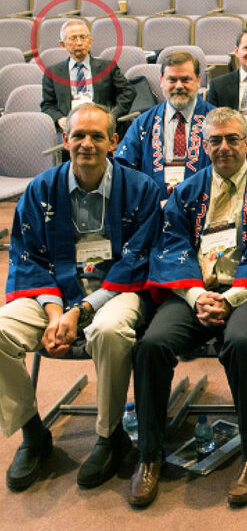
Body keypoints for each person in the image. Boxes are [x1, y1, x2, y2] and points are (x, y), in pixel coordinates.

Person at [130, 107, 247, 508]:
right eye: (214, 141)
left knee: (240, 343)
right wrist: (194, 295)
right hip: (195, 291)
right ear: (203, 146)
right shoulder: (189, 190)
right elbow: (171, 246)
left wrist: (230, 298)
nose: (223, 148)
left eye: (231, 139)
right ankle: (148, 454)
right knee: (152, 345)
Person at [2, 103, 161, 491]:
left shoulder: (141, 189)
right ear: (65, 140)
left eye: (96, 136)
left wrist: (82, 310)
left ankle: (109, 437)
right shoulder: (41, 189)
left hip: (114, 290)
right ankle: (33, 431)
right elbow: (28, 256)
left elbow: (137, 259)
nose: (86, 144)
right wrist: (57, 312)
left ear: (114, 141)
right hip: (53, 291)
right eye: (78, 136)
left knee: (108, 331)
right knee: (0, 331)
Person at [114, 51, 213, 197]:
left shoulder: (216, 121)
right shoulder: (143, 123)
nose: (179, 86)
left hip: (203, 202)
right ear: (161, 81)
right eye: (172, 80)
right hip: (153, 203)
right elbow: (123, 167)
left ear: (198, 81)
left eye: (186, 80)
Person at [40, 18, 135, 132]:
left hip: (102, 126)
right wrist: (59, 119)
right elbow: (47, 105)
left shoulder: (107, 67)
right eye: (73, 38)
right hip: (71, 128)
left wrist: (111, 116)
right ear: (63, 44)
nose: (79, 43)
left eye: (83, 37)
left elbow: (128, 92)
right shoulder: (53, 73)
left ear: (90, 41)